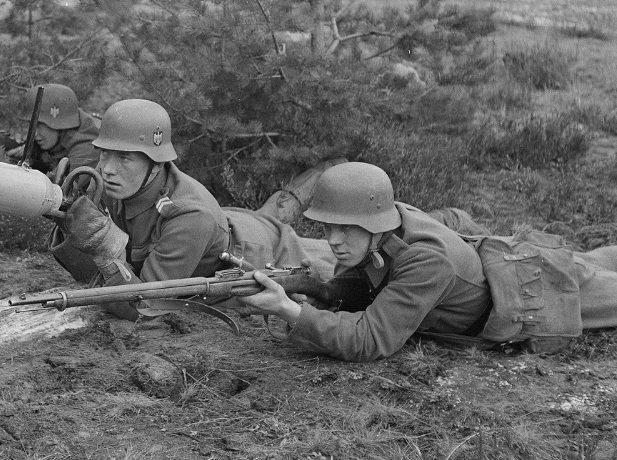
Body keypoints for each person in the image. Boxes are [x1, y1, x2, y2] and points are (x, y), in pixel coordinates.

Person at [240, 161, 617, 362]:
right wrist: (320, 292)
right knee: (604, 257)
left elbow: (369, 341)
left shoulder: (424, 261)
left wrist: (290, 311)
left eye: (347, 230)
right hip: (498, 260)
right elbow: (359, 290)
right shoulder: (382, 222)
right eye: (328, 228)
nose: (334, 241)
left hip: (526, 294)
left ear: (375, 223)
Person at [51, 98, 311, 320]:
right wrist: (66, 222)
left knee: (334, 274)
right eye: (105, 153)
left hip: (268, 251)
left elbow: (144, 306)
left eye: (124, 158)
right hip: (228, 222)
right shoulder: (117, 181)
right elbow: (88, 275)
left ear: (156, 164)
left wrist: (104, 252)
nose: (107, 168)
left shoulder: (189, 216)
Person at [8, 83, 101, 177]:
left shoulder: (87, 149)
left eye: (39, 125)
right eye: (32, 125)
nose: (34, 133)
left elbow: (54, 186)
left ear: (59, 124)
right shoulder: (56, 138)